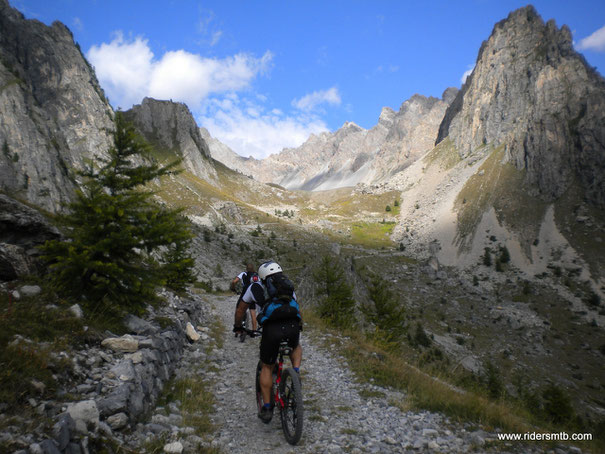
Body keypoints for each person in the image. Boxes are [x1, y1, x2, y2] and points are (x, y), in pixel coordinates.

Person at [235, 260, 303, 423]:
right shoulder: (288, 286)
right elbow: (296, 307)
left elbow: (241, 309)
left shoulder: (255, 287)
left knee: (266, 366)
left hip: (271, 330)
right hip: (292, 325)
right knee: (296, 345)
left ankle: (267, 407)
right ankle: (296, 372)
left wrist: (238, 326)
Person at [231, 263, 259, 331]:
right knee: (253, 312)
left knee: (239, 309)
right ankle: (254, 330)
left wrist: (233, 288)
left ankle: (238, 329)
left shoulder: (243, 273)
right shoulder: (257, 275)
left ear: (246, 269)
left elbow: (234, 282)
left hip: (245, 293)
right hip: (253, 293)